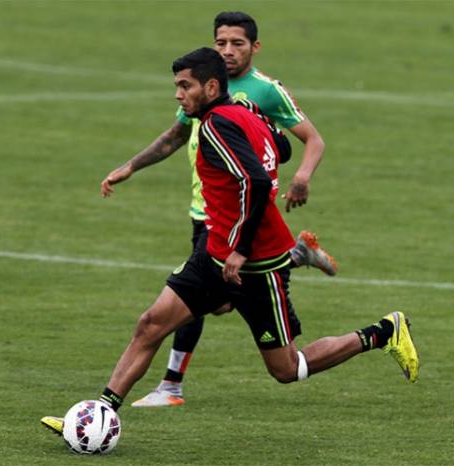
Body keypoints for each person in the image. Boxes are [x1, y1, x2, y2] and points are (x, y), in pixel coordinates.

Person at [41, 48, 419, 439]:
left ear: (211, 86)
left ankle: (383, 332)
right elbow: (283, 148)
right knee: (151, 324)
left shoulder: (216, 126)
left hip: (255, 265)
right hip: (213, 254)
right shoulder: (245, 114)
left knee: (286, 369)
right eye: (176, 86)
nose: (178, 95)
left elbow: (254, 181)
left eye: (185, 86)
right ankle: (97, 415)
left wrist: (239, 248)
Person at [117, 11, 335, 408]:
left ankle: (171, 385)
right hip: (206, 209)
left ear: (255, 46)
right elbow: (175, 135)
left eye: (237, 43)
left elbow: (300, 142)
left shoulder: (263, 92)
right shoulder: (199, 83)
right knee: (212, 301)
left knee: (189, 298)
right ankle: (293, 254)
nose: (229, 50)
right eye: (222, 43)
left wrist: (301, 177)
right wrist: (131, 166)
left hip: (237, 217)